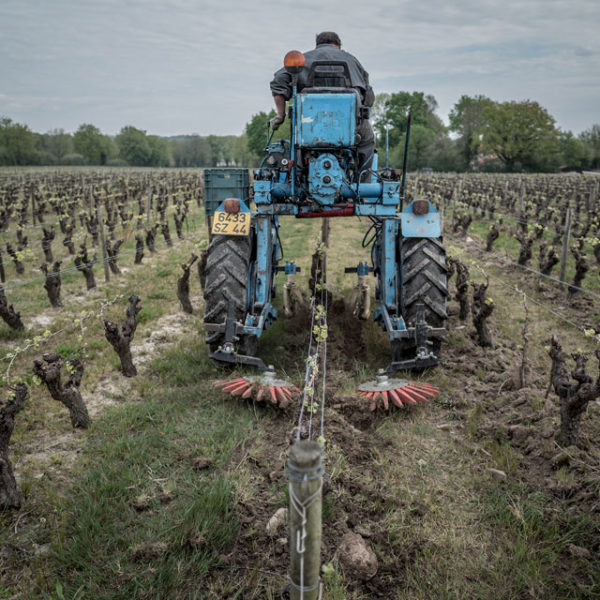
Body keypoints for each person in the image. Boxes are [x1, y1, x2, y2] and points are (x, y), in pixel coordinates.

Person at [269, 31, 375, 175]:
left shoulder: (303, 59)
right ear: (338, 45)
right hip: (348, 125)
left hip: (310, 125)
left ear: (317, 45)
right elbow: (368, 96)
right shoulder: (352, 60)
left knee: (297, 138)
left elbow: (278, 82)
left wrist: (280, 115)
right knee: (367, 140)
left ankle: (299, 176)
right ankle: (363, 184)